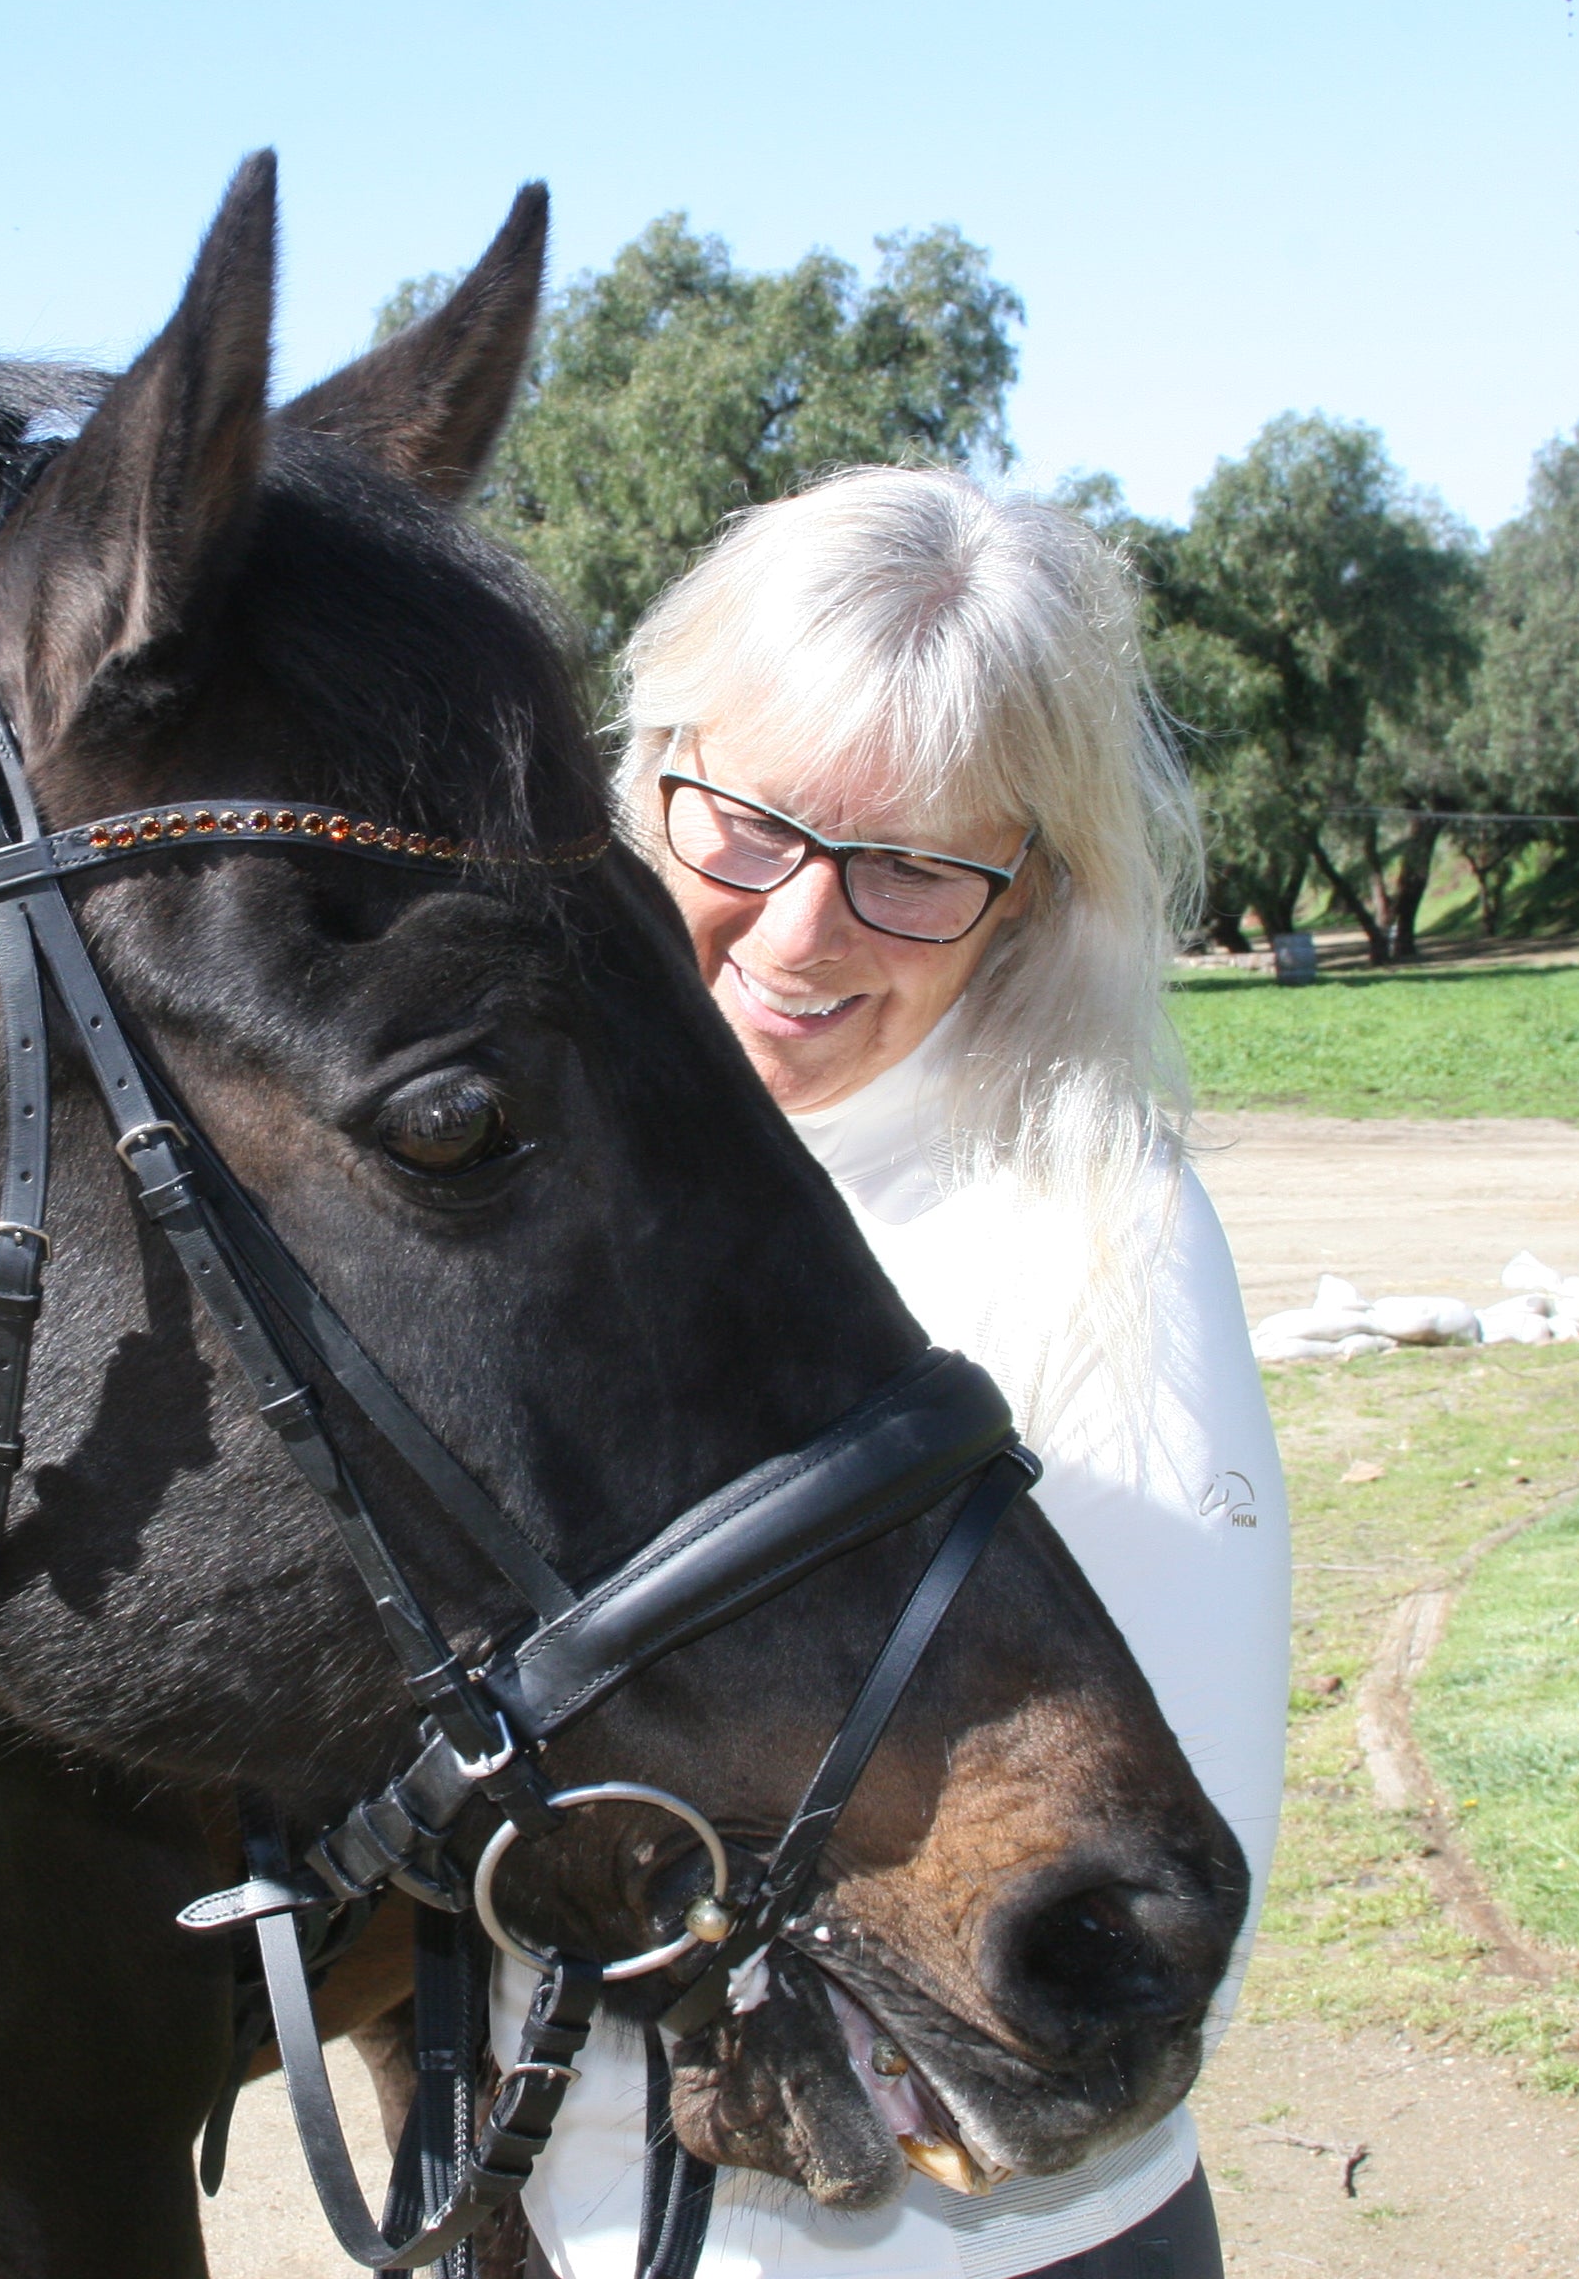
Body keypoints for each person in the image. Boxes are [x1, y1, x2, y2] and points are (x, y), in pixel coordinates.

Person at [514, 467, 1290, 2279]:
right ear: (648, 777)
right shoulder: (559, 1175)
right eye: (748, 827)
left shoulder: (1096, 1241)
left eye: (915, 867)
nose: (798, 933)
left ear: (1028, 892)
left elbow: (1123, 1935)